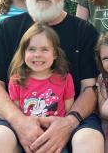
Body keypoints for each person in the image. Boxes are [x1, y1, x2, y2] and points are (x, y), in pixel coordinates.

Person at [0, 0, 104, 153]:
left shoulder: (84, 31)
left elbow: (91, 88)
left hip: (74, 118)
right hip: (16, 117)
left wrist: (68, 123)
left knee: (89, 142)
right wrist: (19, 122)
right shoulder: (6, 29)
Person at [8, 23, 74, 153]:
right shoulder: (16, 80)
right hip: (27, 140)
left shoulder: (65, 78)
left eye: (44, 49)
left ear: (55, 54)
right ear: (23, 53)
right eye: (31, 49)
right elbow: (16, 115)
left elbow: (68, 111)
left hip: (55, 141)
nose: (37, 54)